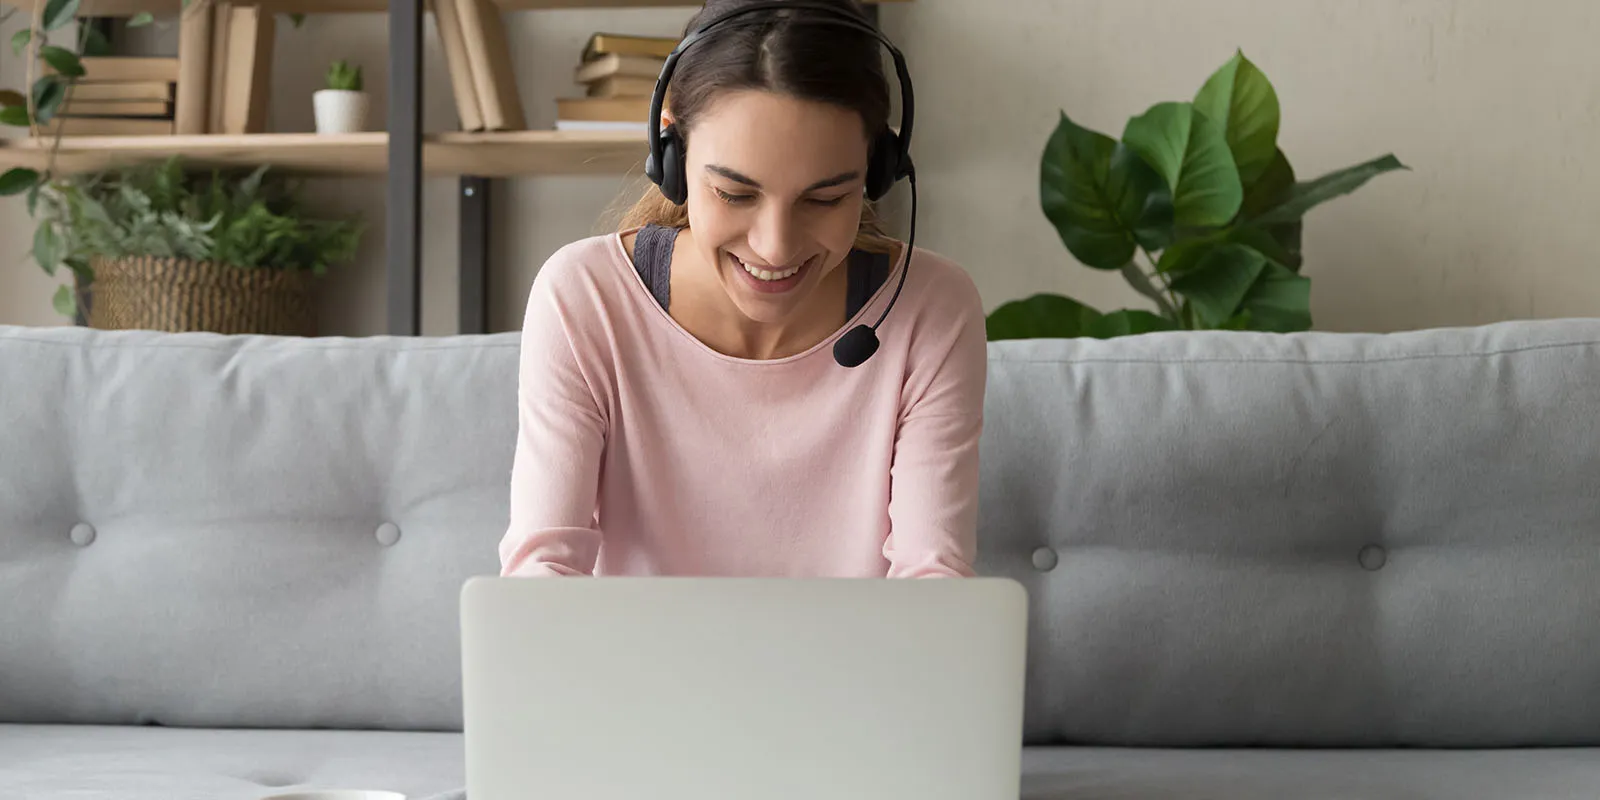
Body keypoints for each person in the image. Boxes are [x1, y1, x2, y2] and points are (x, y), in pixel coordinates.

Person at [498, 0, 988, 579]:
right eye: (735, 194)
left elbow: (935, 586)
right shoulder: (585, 299)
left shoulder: (931, 309)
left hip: (858, 673)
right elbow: (540, 581)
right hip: (630, 672)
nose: (776, 247)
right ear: (671, 153)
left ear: (878, 168)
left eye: (825, 199)